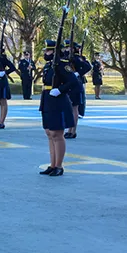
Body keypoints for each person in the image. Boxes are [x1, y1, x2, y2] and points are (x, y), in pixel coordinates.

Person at [39, 39, 75, 175]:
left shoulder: (61, 65)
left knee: (57, 134)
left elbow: (73, 82)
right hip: (47, 99)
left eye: (48, 50)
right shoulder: (49, 65)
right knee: (49, 133)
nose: (46, 53)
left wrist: (60, 90)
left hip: (58, 101)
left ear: (55, 51)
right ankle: (52, 164)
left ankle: (59, 166)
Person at [0, 40, 17, 129]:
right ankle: (0, 121)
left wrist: (5, 72)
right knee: (0, 101)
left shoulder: (3, 57)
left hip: (1, 80)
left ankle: (2, 122)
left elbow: (13, 67)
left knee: (3, 101)